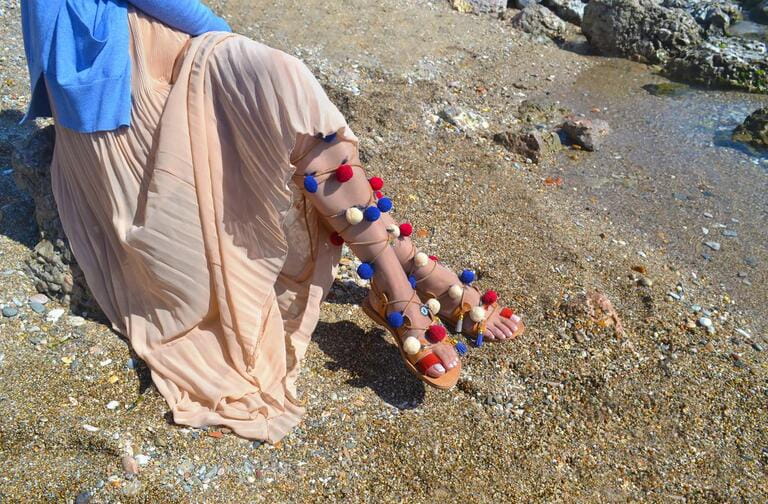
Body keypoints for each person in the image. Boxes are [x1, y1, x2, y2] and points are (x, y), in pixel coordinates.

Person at [20, 0, 525, 442]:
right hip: (116, 72)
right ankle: (406, 272)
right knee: (275, 80)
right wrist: (221, 31)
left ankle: (396, 283)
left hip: (168, 43)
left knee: (284, 81)